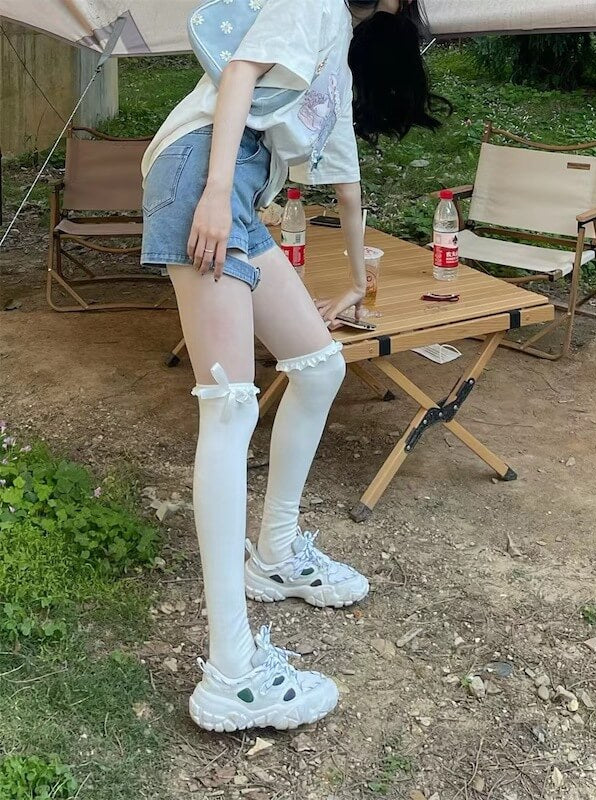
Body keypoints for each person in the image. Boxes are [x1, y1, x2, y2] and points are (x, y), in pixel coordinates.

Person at [141, 0, 447, 733]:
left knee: (318, 365)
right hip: (205, 168)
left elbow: (346, 185)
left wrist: (357, 284)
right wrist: (217, 194)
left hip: (241, 186)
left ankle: (275, 555)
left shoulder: (337, 53)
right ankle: (232, 674)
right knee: (230, 407)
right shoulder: (312, 2)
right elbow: (239, 73)